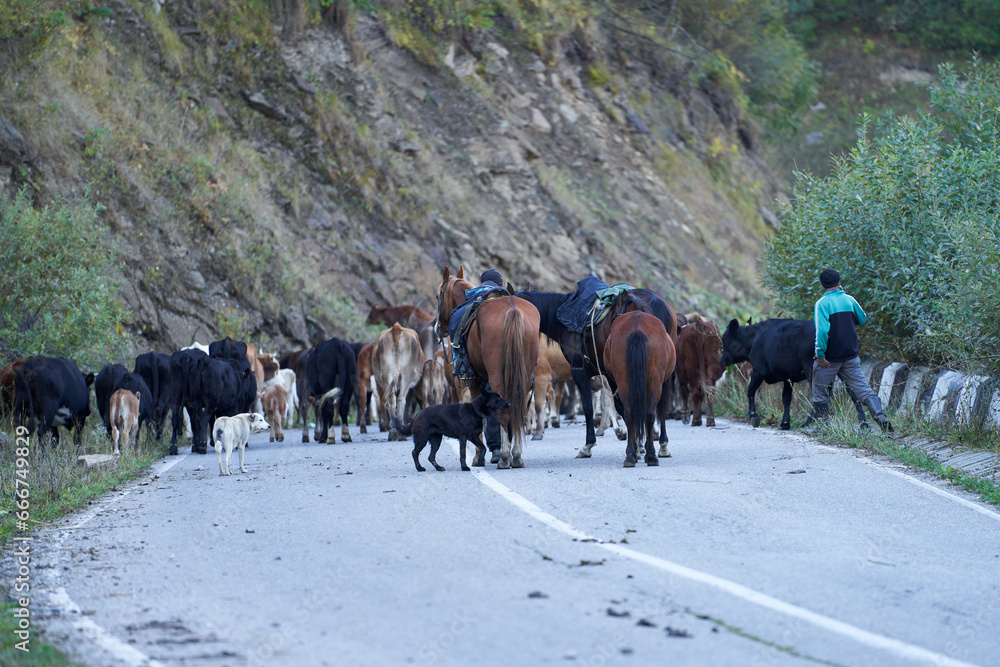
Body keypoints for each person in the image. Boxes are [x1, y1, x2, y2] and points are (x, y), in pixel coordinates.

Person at [810, 268, 892, 431]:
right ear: (839, 282)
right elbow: (862, 318)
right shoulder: (849, 299)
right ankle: (880, 416)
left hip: (829, 359)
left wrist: (820, 355)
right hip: (851, 355)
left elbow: (822, 332)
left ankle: (824, 426)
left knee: (819, 388)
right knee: (862, 388)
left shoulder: (822, 303)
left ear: (821, 284)